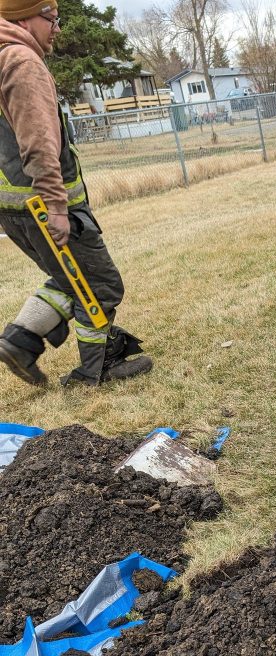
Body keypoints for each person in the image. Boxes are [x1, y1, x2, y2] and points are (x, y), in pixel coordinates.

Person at [0, 0, 151, 386]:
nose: (58, 28)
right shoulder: (21, 61)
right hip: (40, 204)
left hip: (13, 206)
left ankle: (21, 340)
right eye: (52, 19)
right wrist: (56, 205)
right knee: (100, 285)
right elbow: (38, 142)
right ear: (25, 17)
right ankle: (95, 370)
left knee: (69, 278)